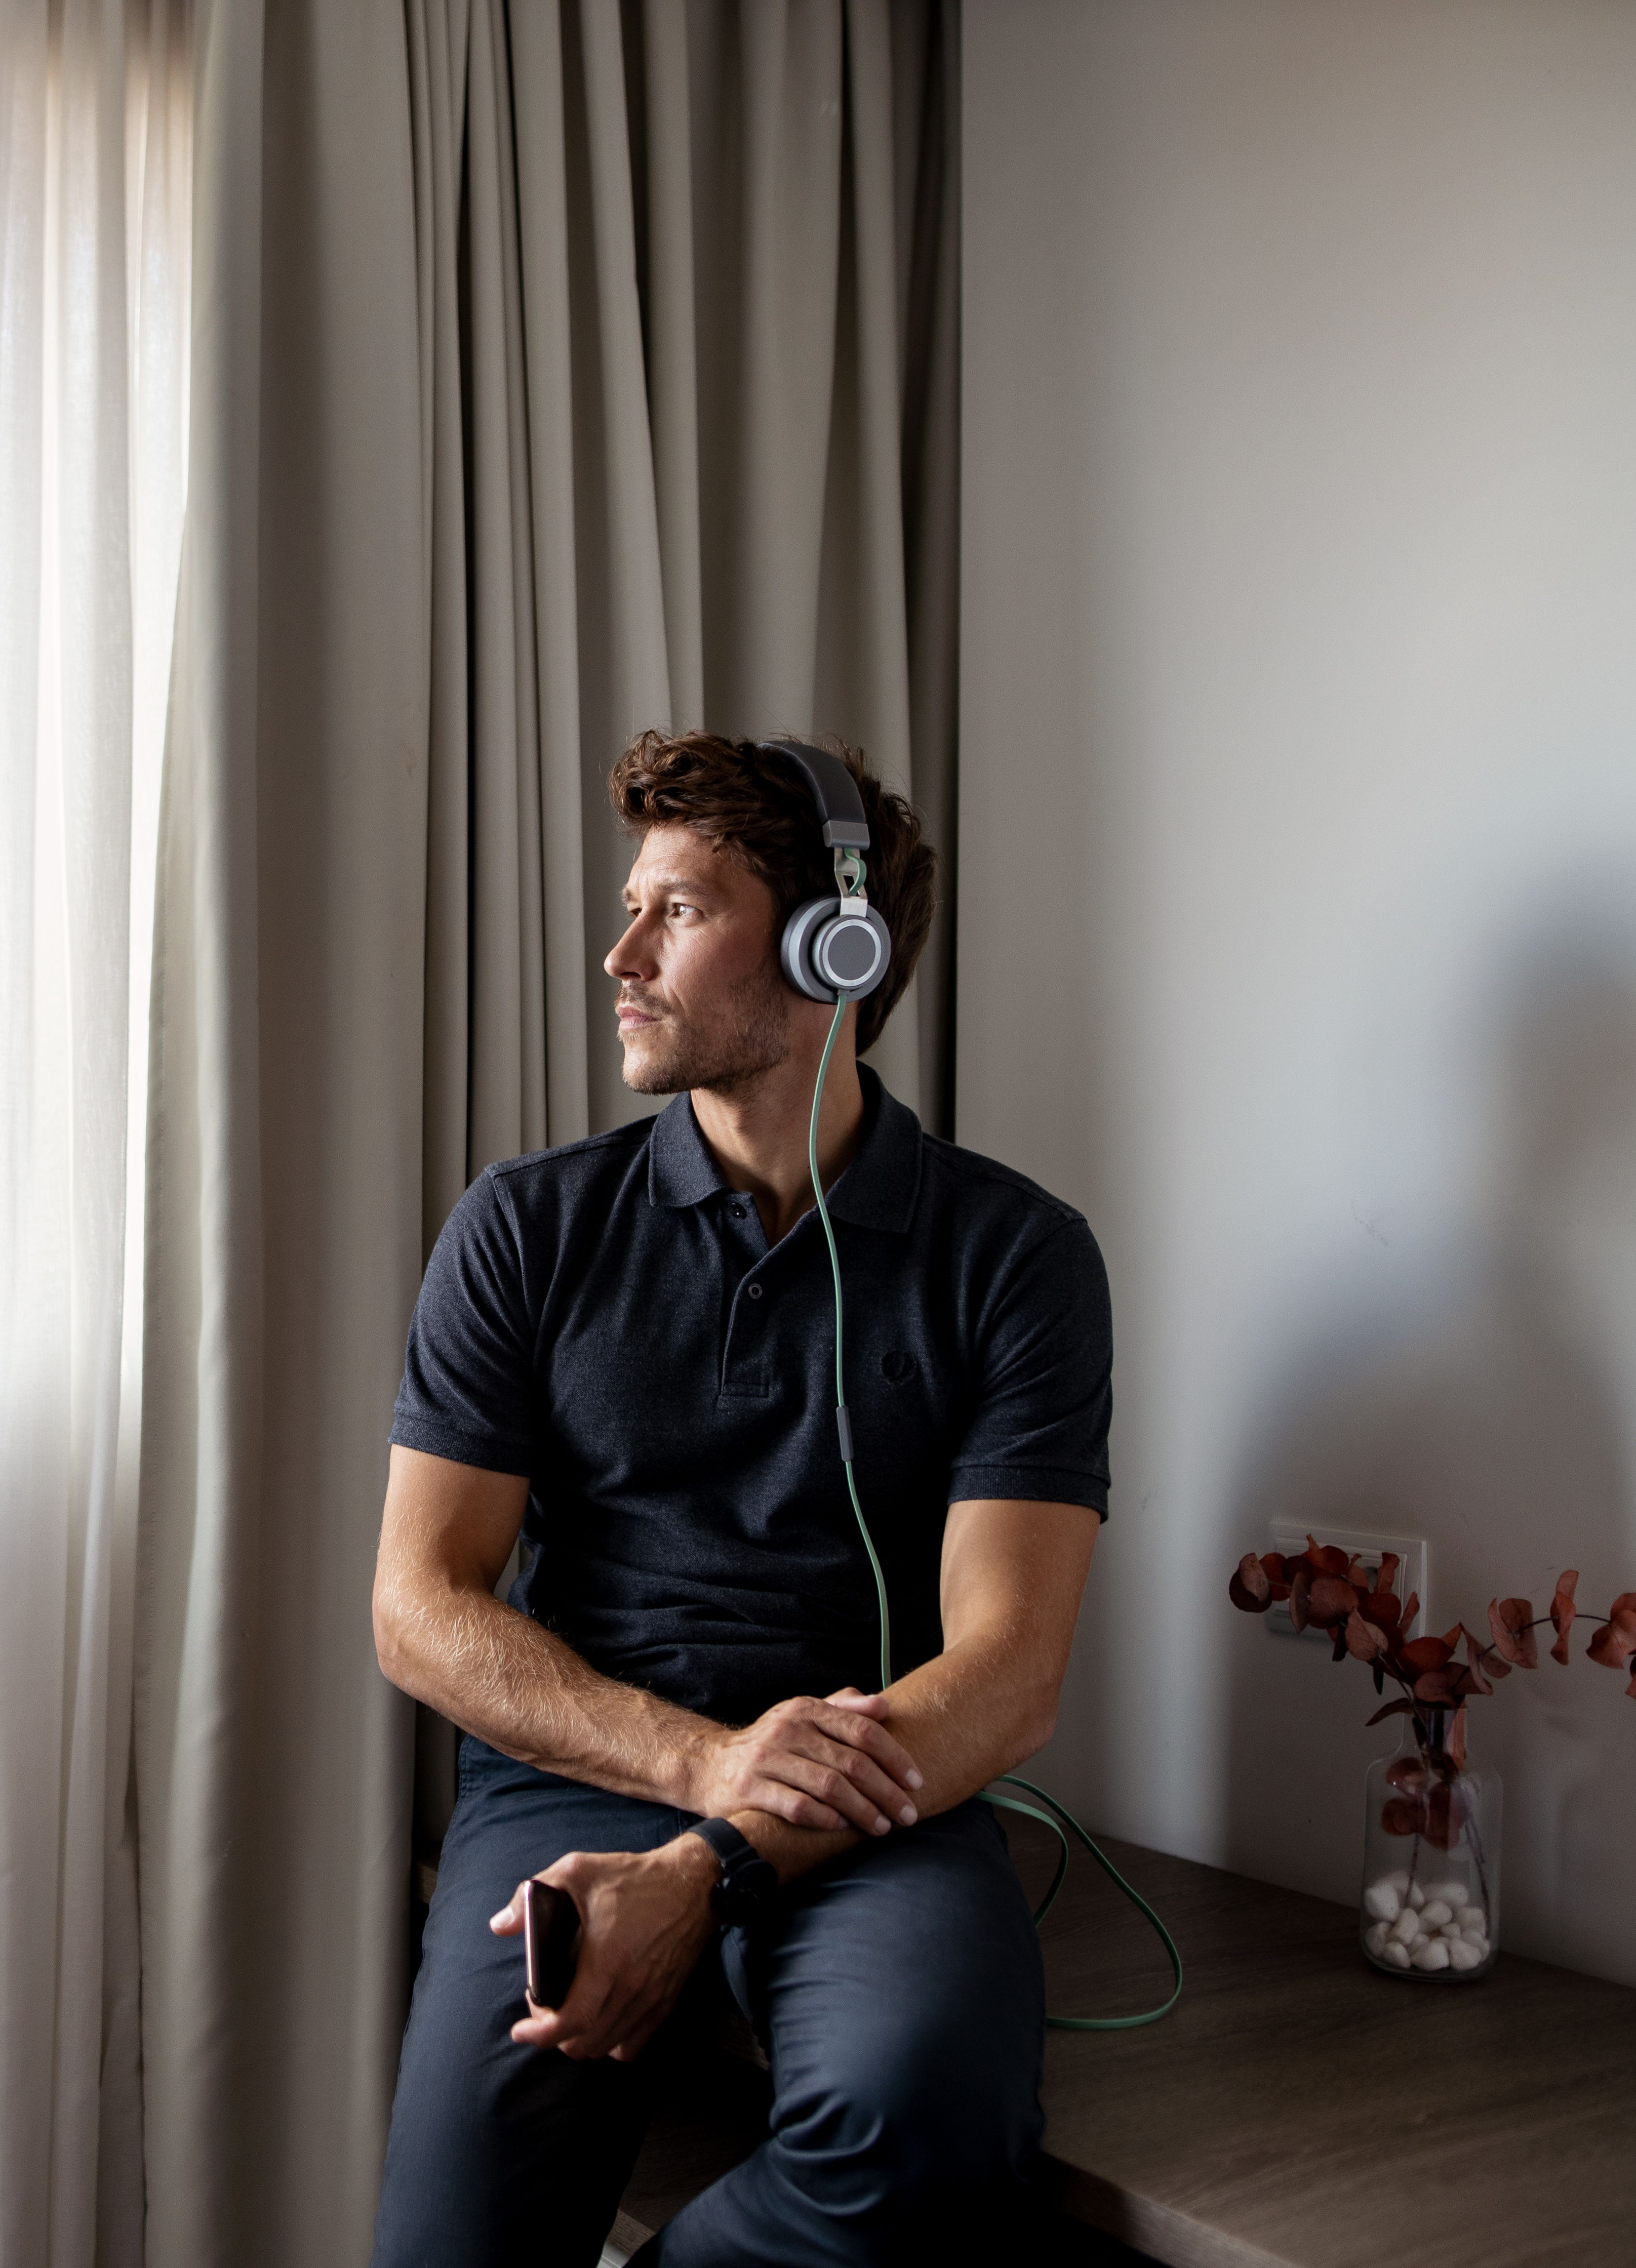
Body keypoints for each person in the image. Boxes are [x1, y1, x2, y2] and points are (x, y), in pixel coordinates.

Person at [366, 729, 1111, 2267]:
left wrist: (712, 1863)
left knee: (921, 2129)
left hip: (877, 1789)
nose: (618, 952)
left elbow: (1012, 1673)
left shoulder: (1017, 1259)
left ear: (837, 943)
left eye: (678, 911)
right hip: (584, 1771)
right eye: (632, 905)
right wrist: (707, 1772)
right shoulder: (527, 1229)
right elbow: (420, 1612)